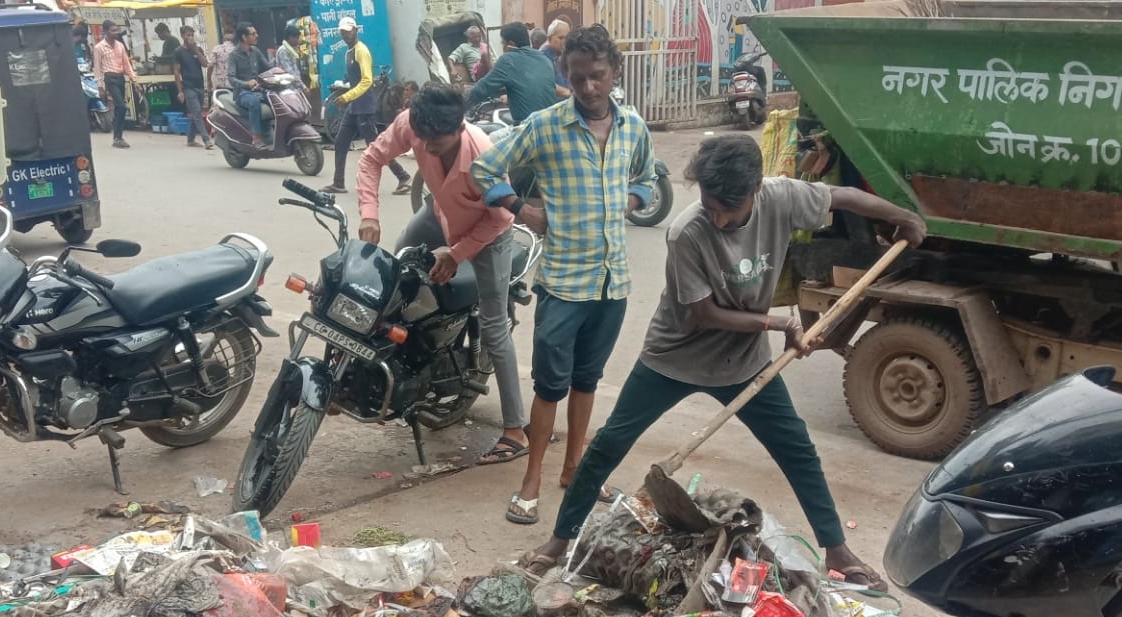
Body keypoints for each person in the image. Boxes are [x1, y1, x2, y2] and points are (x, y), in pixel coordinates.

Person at [517, 134, 927, 582]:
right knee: (608, 445)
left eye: (726, 208)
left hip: (743, 362)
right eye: (709, 204)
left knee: (797, 451)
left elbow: (843, 196)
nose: (716, 215)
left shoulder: (780, 196)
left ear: (754, 190)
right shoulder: (687, 232)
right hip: (673, 357)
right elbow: (704, 313)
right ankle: (560, 540)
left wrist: (904, 217)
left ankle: (837, 551)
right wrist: (780, 324)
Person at [471, 24, 657, 526]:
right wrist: (521, 210)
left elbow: (649, 179)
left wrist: (632, 199)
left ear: (613, 73)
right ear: (567, 76)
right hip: (563, 284)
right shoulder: (547, 126)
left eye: (596, 77)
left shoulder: (633, 128)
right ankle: (531, 478)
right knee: (550, 386)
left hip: (611, 284)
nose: (589, 88)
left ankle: (575, 470)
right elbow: (485, 169)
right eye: (577, 79)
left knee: (586, 380)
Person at [357, 85, 530, 467]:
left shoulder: (484, 153)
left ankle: (516, 429)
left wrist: (456, 254)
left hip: (489, 237)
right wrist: (369, 212)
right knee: (393, 280)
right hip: (440, 214)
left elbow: (501, 218)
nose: (426, 147)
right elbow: (371, 159)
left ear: (458, 127)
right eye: (422, 139)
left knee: (494, 325)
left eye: (436, 141)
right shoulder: (412, 125)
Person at [322, 17, 409, 195]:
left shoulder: (362, 51)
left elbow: (366, 81)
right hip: (354, 107)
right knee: (340, 142)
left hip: (364, 107)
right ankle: (338, 182)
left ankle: (403, 176)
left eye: (348, 31)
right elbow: (353, 78)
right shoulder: (349, 52)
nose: (345, 35)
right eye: (343, 32)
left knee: (376, 146)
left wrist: (347, 96)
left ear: (356, 30)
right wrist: (344, 85)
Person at [467, 22, 557, 124]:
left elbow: (481, 89)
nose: (503, 47)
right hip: (551, 125)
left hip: (527, 129)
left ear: (511, 44)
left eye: (503, 43)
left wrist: (458, 104)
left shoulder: (508, 60)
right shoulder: (545, 60)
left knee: (492, 137)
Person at [93, 21, 137, 149]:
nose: (116, 33)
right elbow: (97, 68)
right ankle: (117, 136)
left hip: (120, 78)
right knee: (121, 106)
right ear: (106, 31)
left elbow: (126, 64)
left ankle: (118, 136)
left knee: (120, 108)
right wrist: (100, 87)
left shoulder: (120, 46)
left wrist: (134, 80)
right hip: (109, 78)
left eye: (116, 30)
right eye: (113, 30)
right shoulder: (99, 47)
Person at [226, 21, 271, 141]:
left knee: (276, 98)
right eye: (253, 34)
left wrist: (279, 66)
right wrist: (246, 83)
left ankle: (270, 131)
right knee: (254, 102)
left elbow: (268, 67)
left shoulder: (255, 51)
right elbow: (231, 78)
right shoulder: (233, 55)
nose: (257, 35)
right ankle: (255, 136)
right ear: (244, 37)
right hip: (242, 93)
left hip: (259, 90)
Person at [173, 26, 215, 150]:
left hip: (200, 85)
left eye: (192, 35)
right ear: (182, 36)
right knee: (197, 112)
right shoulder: (178, 52)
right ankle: (206, 139)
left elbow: (205, 64)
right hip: (188, 86)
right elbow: (176, 72)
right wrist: (180, 91)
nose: (190, 37)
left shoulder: (197, 49)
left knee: (196, 113)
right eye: (188, 35)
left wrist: (196, 50)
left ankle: (190, 139)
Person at [542, 19, 571, 98]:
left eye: (567, 38)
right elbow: (544, 83)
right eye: (561, 38)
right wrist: (567, 92)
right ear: (549, 39)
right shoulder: (543, 58)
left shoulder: (564, 55)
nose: (564, 41)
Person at [208, 28, 237, 94]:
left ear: (223, 38)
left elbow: (210, 65)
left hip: (220, 85)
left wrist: (209, 80)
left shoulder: (217, 49)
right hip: (234, 85)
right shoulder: (237, 50)